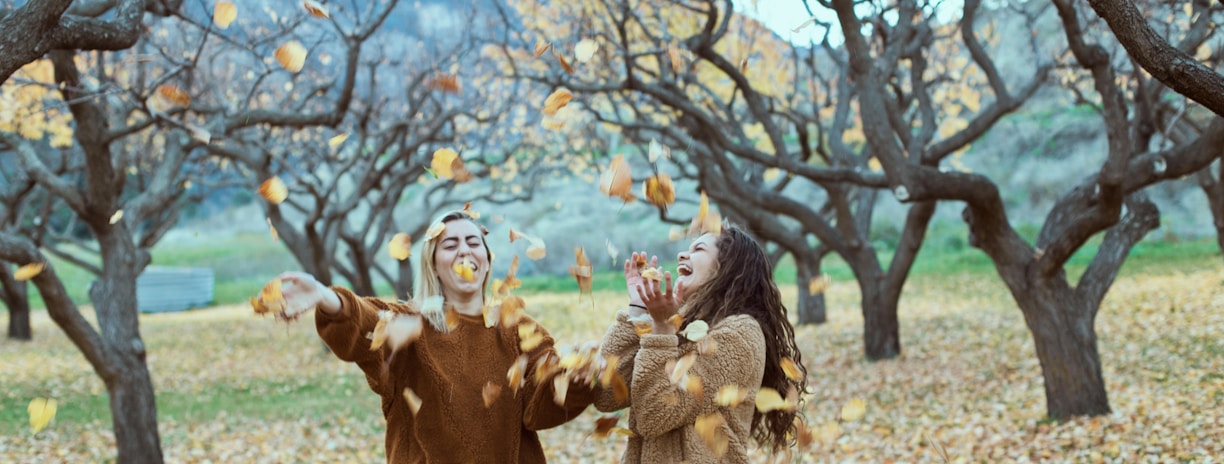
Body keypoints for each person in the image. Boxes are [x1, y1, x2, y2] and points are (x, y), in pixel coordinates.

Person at [275, 210, 595, 463]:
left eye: (473, 242)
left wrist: (577, 377)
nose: (464, 251)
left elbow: (542, 403)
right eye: (450, 245)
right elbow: (365, 323)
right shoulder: (410, 325)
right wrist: (326, 297)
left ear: (486, 261)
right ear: (434, 265)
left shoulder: (517, 329)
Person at [595, 224, 809, 463]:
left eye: (698, 249)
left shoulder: (740, 335)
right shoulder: (677, 327)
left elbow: (654, 414)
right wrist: (638, 310)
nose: (682, 255)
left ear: (726, 267)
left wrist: (662, 330)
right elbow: (606, 396)